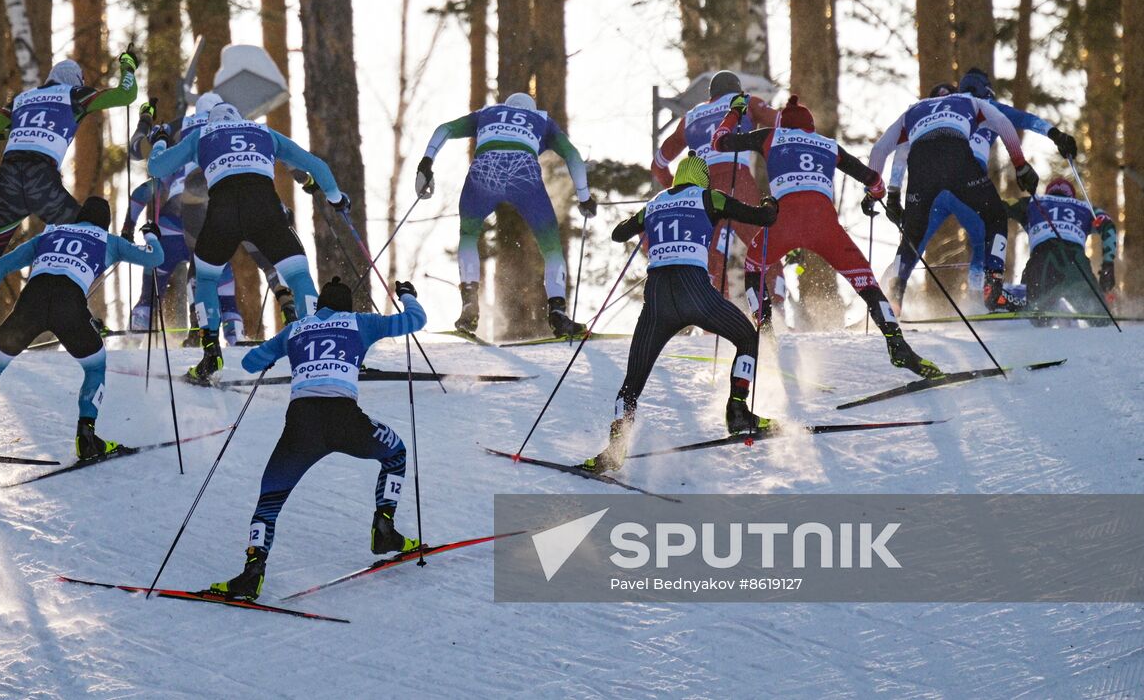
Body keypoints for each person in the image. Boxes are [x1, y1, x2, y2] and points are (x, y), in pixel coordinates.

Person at [202, 277, 427, 599]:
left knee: (269, 500)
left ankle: (253, 572)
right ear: (347, 306)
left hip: (301, 425)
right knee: (395, 453)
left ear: (319, 305)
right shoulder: (360, 322)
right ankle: (385, 526)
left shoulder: (296, 329)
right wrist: (407, 295)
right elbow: (416, 320)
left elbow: (250, 363)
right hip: (346, 420)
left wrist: (273, 355)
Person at [709, 95, 942, 376]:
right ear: (810, 126)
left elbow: (719, 142)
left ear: (784, 123)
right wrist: (874, 197)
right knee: (866, 283)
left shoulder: (771, 136)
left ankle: (766, 335)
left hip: (784, 221)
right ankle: (897, 345)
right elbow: (873, 180)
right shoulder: (828, 144)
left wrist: (735, 113)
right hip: (824, 225)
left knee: (753, 267)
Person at [582, 155, 779, 474]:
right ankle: (738, 411)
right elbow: (762, 217)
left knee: (632, 382)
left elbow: (619, 234)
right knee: (746, 337)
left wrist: (644, 219)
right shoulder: (709, 196)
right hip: (695, 292)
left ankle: (615, 448)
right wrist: (772, 204)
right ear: (703, 178)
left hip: (657, 299)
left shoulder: (656, 203)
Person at [0, 197, 165, 459]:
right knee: (94, 366)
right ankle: (86, 437)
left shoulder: (52, 232)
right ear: (105, 223)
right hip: (68, 306)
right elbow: (155, 258)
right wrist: (151, 235)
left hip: (31, 303)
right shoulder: (109, 240)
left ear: (79, 218)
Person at [148, 102, 347, 384]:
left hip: (223, 211)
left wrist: (158, 142)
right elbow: (317, 166)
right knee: (298, 274)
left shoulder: (202, 134)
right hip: (264, 209)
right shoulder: (263, 131)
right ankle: (314, 344)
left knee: (205, 277)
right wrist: (336, 197)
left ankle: (210, 349)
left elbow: (156, 167)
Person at [0, 52, 139, 322]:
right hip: (40, 178)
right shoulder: (75, 94)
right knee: (84, 232)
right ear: (76, 80)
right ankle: (74, 307)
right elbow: (126, 96)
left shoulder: (23, 99)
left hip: (8, 176)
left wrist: (19, 131)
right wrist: (128, 66)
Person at [414, 92, 596, 338]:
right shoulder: (541, 119)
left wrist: (426, 162)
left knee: (468, 233)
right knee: (551, 245)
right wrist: (584, 197)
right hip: (523, 174)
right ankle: (557, 312)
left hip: (484, 171)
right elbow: (572, 154)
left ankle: (469, 299)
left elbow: (444, 129)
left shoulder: (487, 113)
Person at [885, 70, 1078, 300]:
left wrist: (893, 192)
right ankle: (981, 297)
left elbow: (900, 151)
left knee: (913, 242)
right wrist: (1055, 135)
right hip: (965, 182)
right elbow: (1026, 120)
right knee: (984, 236)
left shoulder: (945, 109)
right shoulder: (981, 104)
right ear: (986, 89)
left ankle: (884, 297)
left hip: (932, 187)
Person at [130, 92, 297, 341]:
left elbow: (136, 149)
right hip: (237, 197)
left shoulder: (178, 125)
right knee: (258, 256)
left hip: (182, 202)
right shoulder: (241, 127)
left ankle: (164, 321)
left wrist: (146, 118)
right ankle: (273, 310)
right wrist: (282, 208)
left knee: (196, 262)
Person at [867, 80, 1039, 312]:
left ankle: (894, 297)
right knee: (995, 216)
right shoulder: (968, 100)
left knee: (912, 234)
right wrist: (1020, 165)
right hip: (957, 159)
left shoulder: (913, 111)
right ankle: (994, 287)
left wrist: (882, 194)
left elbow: (880, 150)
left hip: (922, 167)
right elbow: (1002, 123)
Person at [650, 70, 784, 301]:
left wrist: (676, 190)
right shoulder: (746, 101)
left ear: (710, 94)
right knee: (761, 241)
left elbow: (658, 164)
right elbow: (784, 123)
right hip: (737, 178)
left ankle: (712, 318)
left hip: (703, 187)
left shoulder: (690, 116)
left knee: (710, 252)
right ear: (737, 89)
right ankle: (778, 307)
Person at [1003, 177, 1116, 324]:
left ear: (1049, 192)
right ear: (1071, 196)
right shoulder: (1085, 207)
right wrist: (1108, 264)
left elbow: (999, 206)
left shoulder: (1034, 201)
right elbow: (1108, 226)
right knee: (1100, 319)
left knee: (1032, 319)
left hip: (1042, 263)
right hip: (1076, 265)